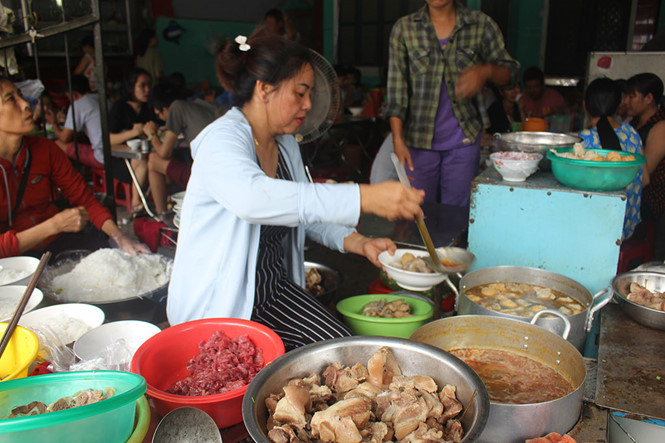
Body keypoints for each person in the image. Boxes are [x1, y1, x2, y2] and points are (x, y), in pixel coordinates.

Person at [167, 30, 424, 350]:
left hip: (274, 292)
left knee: (344, 352)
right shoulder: (222, 140)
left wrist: (360, 242)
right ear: (264, 89)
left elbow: (301, 210)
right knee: (270, 388)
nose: (308, 104)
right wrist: (365, 196)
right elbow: (254, 200)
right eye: (300, 93)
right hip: (222, 308)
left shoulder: (285, 142)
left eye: (311, 94)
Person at [385, 0, 519, 206]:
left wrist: (485, 71)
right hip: (417, 142)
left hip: (464, 141)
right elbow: (396, 90)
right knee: (418, 212)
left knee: (457, 213)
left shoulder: (481, 25)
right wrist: (397, 140)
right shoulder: (405, 29)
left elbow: (510, 75)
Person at [0, 76, 147, 257]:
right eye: (10, 99)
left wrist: (119, 237)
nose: (25, 104)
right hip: (12, 262)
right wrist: (54, 225)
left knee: (114, 258)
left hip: (54, 244)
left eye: (20, 95)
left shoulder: (44, 149)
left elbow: (84, 198)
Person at [578, 77, 647, 240]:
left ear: (585, 105)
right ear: (617, 107)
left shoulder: (584, 140)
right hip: (629, 227)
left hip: (600, 229)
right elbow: (645, 180)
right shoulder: (631, 133)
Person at [143, 82, 224, 215]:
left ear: (165, 109)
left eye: (159, 114)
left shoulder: (177, 107)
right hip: (225, 174)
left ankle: (161, 216)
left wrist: (151, 134)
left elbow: (164, 152)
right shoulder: (205, 104)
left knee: (153, 160)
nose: (162, 119)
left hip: (208, 180)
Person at [108, 67, 156, 213]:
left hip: (142, 157)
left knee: (154, 159)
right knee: (141, 161)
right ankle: (136, 203)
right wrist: (133, 132)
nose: (147, 89)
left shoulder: (148, 108)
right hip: (119, 162)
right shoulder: (119, 107)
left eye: (149, 85)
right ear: (131, 87)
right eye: (142, 85)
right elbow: (109, 140)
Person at [626, 73, 665, 220]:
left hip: (648, 201)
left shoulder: (660, 127)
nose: (627, 102)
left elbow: (644, 175)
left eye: (632, 97)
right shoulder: (635, 122)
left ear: (648, 98)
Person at [45, 75, 104, 169]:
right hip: (114, 151)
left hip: (102, 157)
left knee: (58, 144)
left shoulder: (78, 104)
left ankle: (69, 178)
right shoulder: (100, 98)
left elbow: (64, 138)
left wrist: (53, 123)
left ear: (74, 94)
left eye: (68, 97)